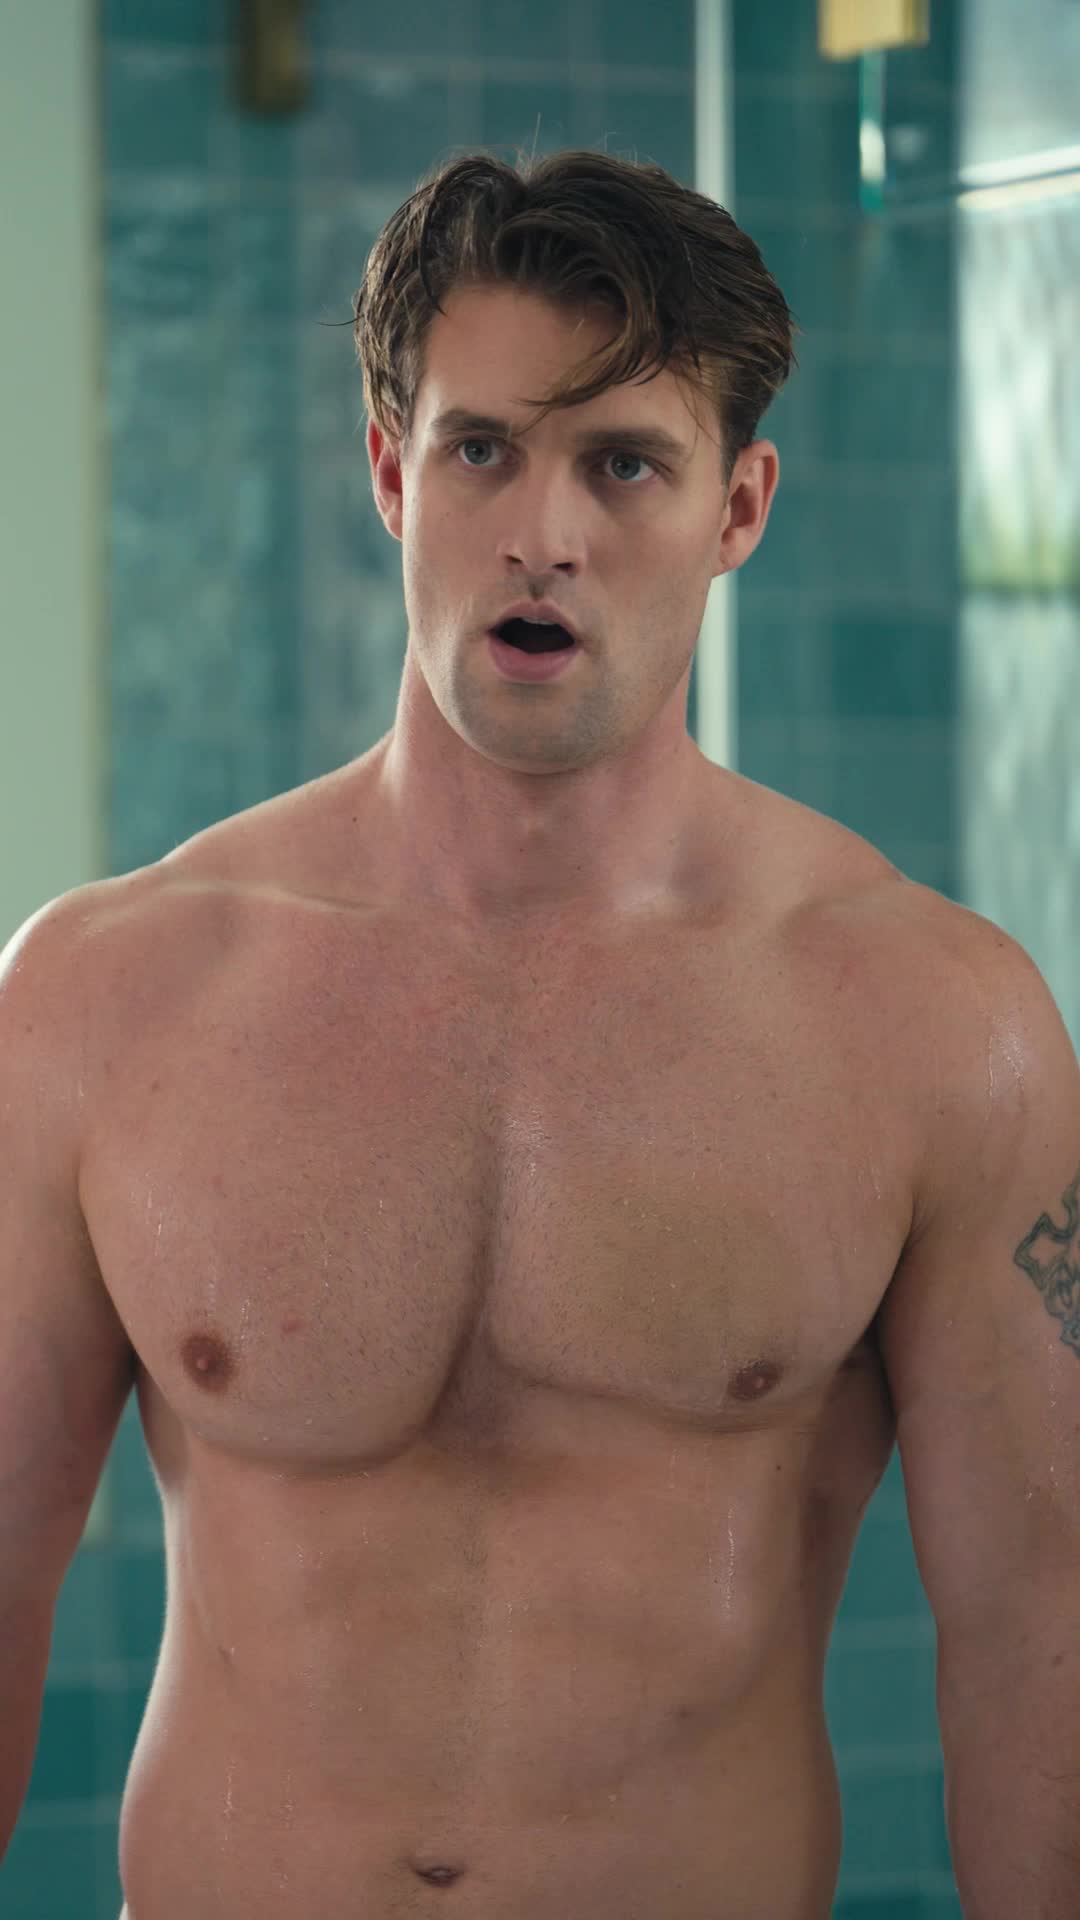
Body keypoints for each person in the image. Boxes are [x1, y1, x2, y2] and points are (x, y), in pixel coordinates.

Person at [2, 147, 1078, 1920]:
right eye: (482, 450)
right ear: (388, 470)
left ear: (739, 508)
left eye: (625, 464)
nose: (543, 536)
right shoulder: (102, 1000)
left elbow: (1040, 1633)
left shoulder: (937, 1031)